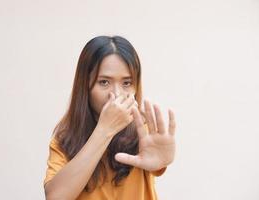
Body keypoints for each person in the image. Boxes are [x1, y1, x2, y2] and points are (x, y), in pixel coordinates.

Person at [43, 35, 176, 200]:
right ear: (85, 87)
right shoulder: (65, 139)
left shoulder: (144, 132)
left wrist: (162, 160)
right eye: (104, 82)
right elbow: (55, 197)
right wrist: (105, 130)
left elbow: (156, 160)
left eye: (126, 83)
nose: (117, 94)